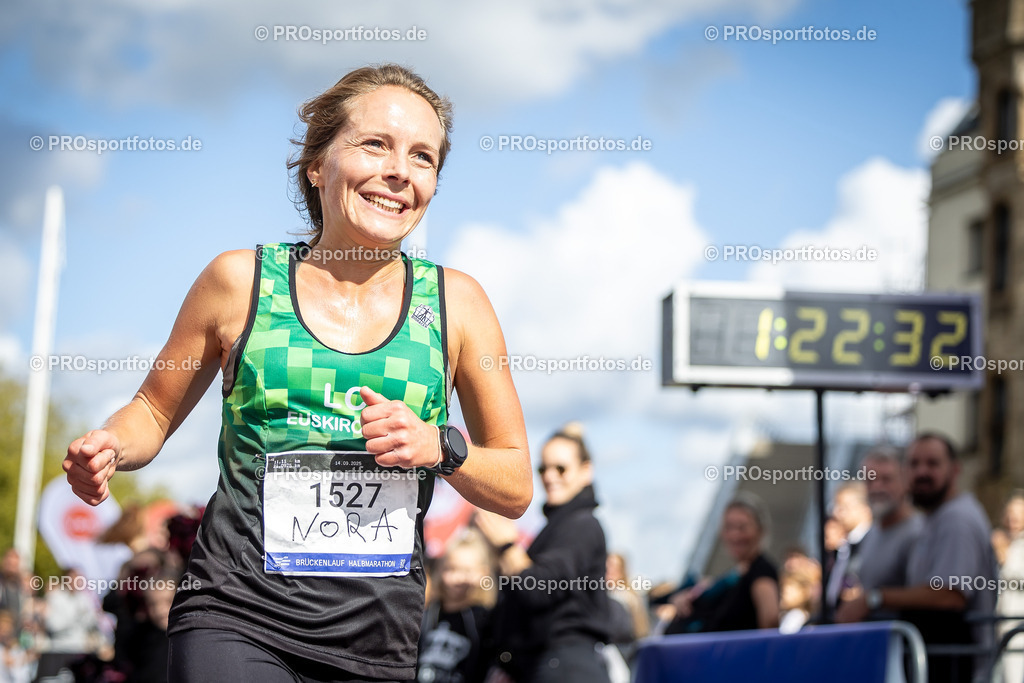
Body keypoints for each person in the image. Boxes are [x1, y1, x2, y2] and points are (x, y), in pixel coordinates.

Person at [63, 63, 532, 683]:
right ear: (316, 164)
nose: (400, 171)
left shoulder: (457, 305)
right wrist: (111, 445)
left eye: (424, 157)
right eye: (375, 144)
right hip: (236, 614)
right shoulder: (238, 283)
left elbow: (515, 481)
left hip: (375, 641)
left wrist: (437, 445)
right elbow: (152, 411)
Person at [836, 433, 997, 683]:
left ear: (955, 469)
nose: (922, 472)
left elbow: (950, 594)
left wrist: (874, 599)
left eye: (932, 463)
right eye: (914, 464)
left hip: (954, 664)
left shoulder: (956, 520)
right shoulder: (935, 518)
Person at [476, 424, 611, 683]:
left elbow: (540, 587)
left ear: (586, 471)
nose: (549, 476)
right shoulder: (559, 526)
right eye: (543, 468)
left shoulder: (582, 524)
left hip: (567, 668)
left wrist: (507, 546)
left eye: (560, 468)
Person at [662, 493, 780, 634]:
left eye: (742, 527)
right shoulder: (737, 575)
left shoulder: (761, 571)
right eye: (728, 527)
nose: (735, 535)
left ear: (760, 530)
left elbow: (770, 621)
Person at [416, 529, 495, 683]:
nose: (458, 578)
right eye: (451, 569)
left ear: (482, 573)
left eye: (467, 571)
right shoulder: (427, 613)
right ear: (441, 569)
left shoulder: (484, 619)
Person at [823, 481, 872, 614]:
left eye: (843, 507)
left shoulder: (871, 543)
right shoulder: (844, 548)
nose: (836, 513)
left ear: (863, 508)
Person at [995, 492, 1024, 683]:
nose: (1012, 518)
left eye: (1018, 513)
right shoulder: (1004, 541)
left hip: (1018, 627)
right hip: (1000, 625)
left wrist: (1004, 560)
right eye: (1010, 513)